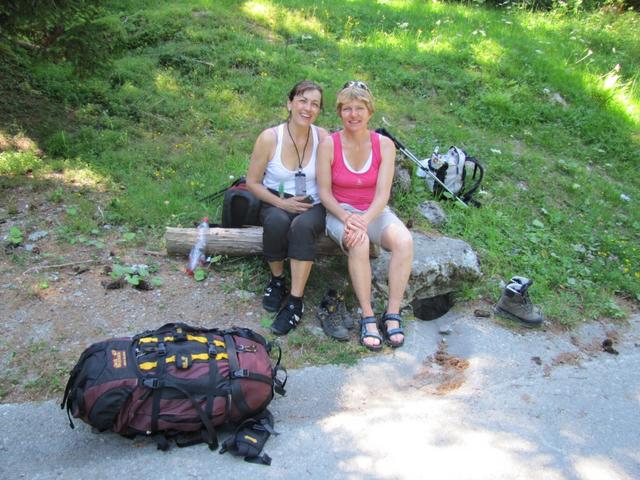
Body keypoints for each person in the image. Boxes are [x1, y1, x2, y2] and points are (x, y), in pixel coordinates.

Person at [317, 81, 413, 350]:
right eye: (347, 108)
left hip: (374, 210)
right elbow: (324, 193)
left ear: (370, 112)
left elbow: (383, 195)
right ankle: (368, 315)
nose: (353, 114)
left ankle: (392, 312)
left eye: (359, 108)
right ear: (339, 113)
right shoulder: (329, 144)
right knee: (358, 243)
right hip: (340, 211)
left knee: (404, 241)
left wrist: (365, 220)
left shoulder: (384, 145)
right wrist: (348, 219)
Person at [246, 80, 329, 336]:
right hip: (276, 199)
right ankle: (278, 279)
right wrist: (282, 202)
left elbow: (331, 180)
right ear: (290, 103)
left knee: (302, 227)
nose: (308, 108)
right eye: (303, 100)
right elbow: (252, 182)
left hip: (312, 202)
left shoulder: (323, 137)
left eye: (315, 104)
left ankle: (295, 301)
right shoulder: (270, 137)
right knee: (277, 222)